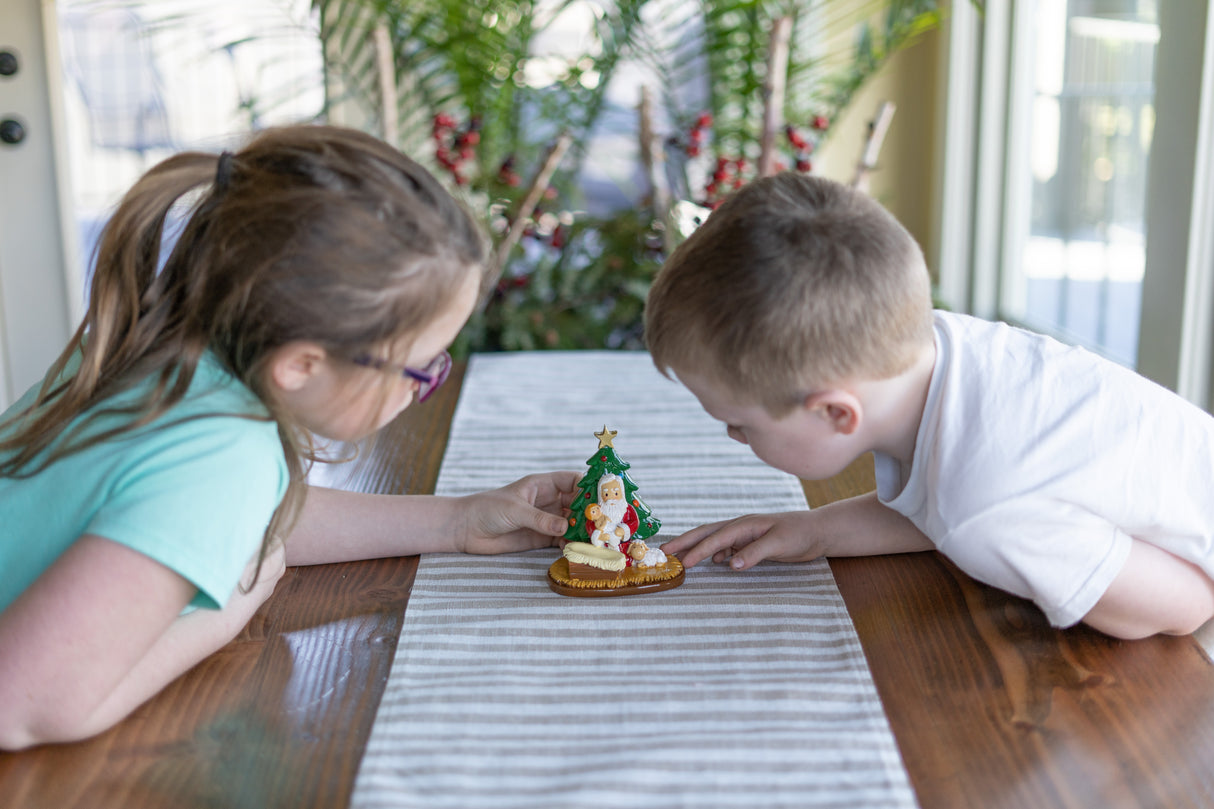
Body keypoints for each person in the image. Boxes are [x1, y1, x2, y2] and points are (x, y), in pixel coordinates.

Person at [0, 125, 578, 750]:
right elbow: (24, 705)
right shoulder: (224, 450)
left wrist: (458, 522)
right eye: (421, 367)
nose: (424, 386)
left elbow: (233, 518)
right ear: (301, 365)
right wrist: (231, 607)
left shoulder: (157, 355)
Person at [649, 171, 1214, 642]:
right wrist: (817, 530)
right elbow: (937, 505)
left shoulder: (989, 508)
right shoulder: (940, 348)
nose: (732, 438)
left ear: (836, 414)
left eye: (740, 425)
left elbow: (1185, 606)